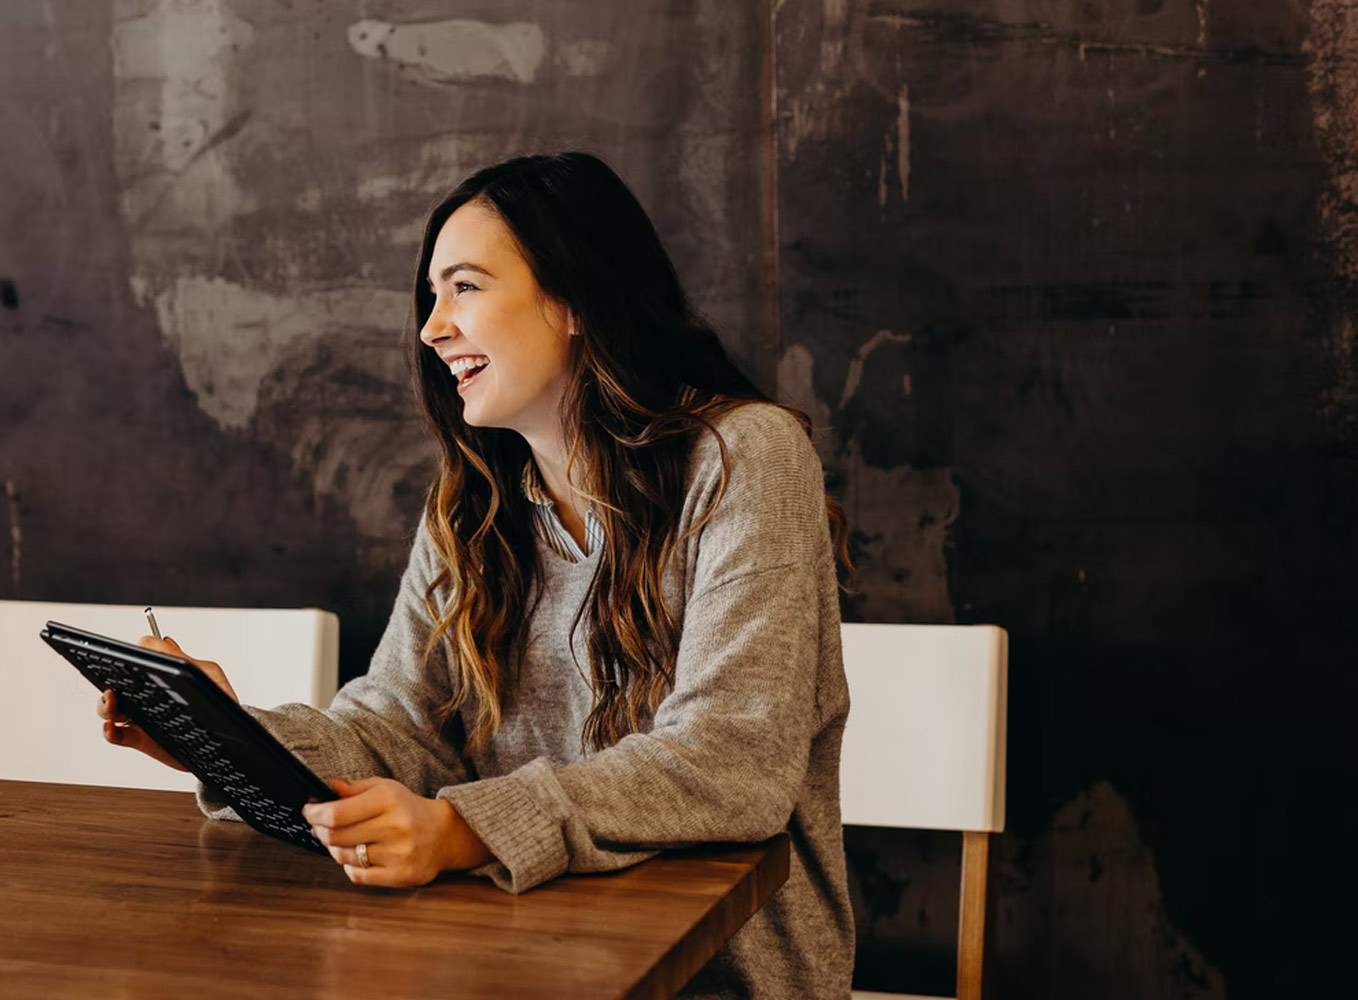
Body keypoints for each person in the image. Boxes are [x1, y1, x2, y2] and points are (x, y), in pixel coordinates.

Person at [99, 151, 856, 998]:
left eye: (463, 287)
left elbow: (730, 762)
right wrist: (228, 737)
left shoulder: (744, 458)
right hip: (513, 958)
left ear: (574, 299)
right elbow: (398, 730)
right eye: (431, 296)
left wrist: (464, 830)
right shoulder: (472, 505)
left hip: (713, 977)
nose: (431, 328)